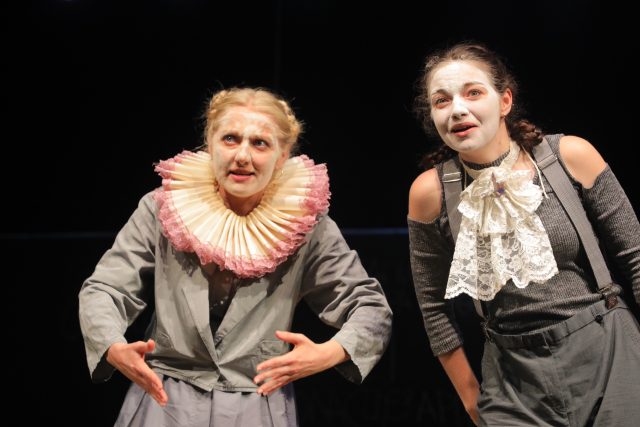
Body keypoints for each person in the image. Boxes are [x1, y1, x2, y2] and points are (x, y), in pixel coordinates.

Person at [79, 87, 392, 426]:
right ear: (210, 143)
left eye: (260, 143)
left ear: (282, 155)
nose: (242, 155)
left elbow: (370, 308)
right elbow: (105, 288)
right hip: (164, 399)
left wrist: (329, 352)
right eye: (230, 139)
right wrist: (111, 345)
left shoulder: (305, 224)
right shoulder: (164, 208)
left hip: (256, 403)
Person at [407, 42, 640, 426]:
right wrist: (471, 398)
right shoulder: (430, 194)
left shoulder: (569, 156)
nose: (458, 110)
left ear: (505, 101)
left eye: (473, 93)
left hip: (609, 353)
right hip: (513, 380)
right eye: (441, 101)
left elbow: (635, 257)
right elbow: (433, 309)